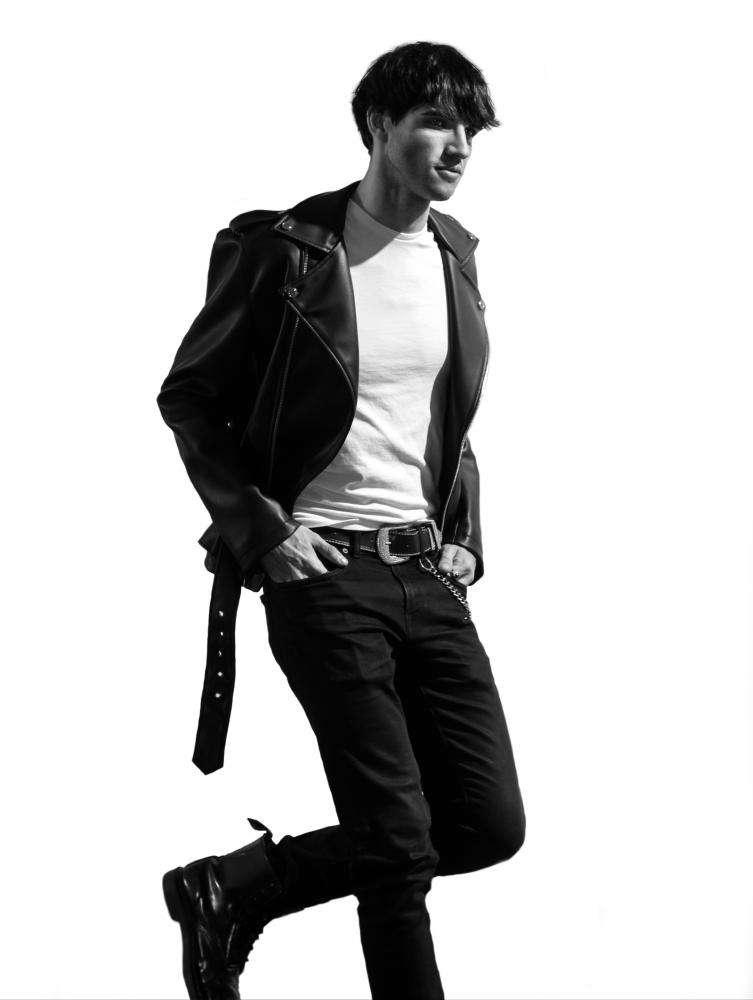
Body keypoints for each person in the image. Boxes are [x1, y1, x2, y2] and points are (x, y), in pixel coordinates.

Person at [156, 40, 526, 1000]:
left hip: (426, 576)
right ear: (377, 126)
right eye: (437, 123)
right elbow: (189, 397)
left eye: (472, 129)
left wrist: (464, 532)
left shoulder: (454, 256)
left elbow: (441, 419)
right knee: (395, 847)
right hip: (322, 574)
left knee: (486, 825)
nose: (459, 147)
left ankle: (233, 888)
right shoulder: (286, 250)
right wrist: (265, 532)